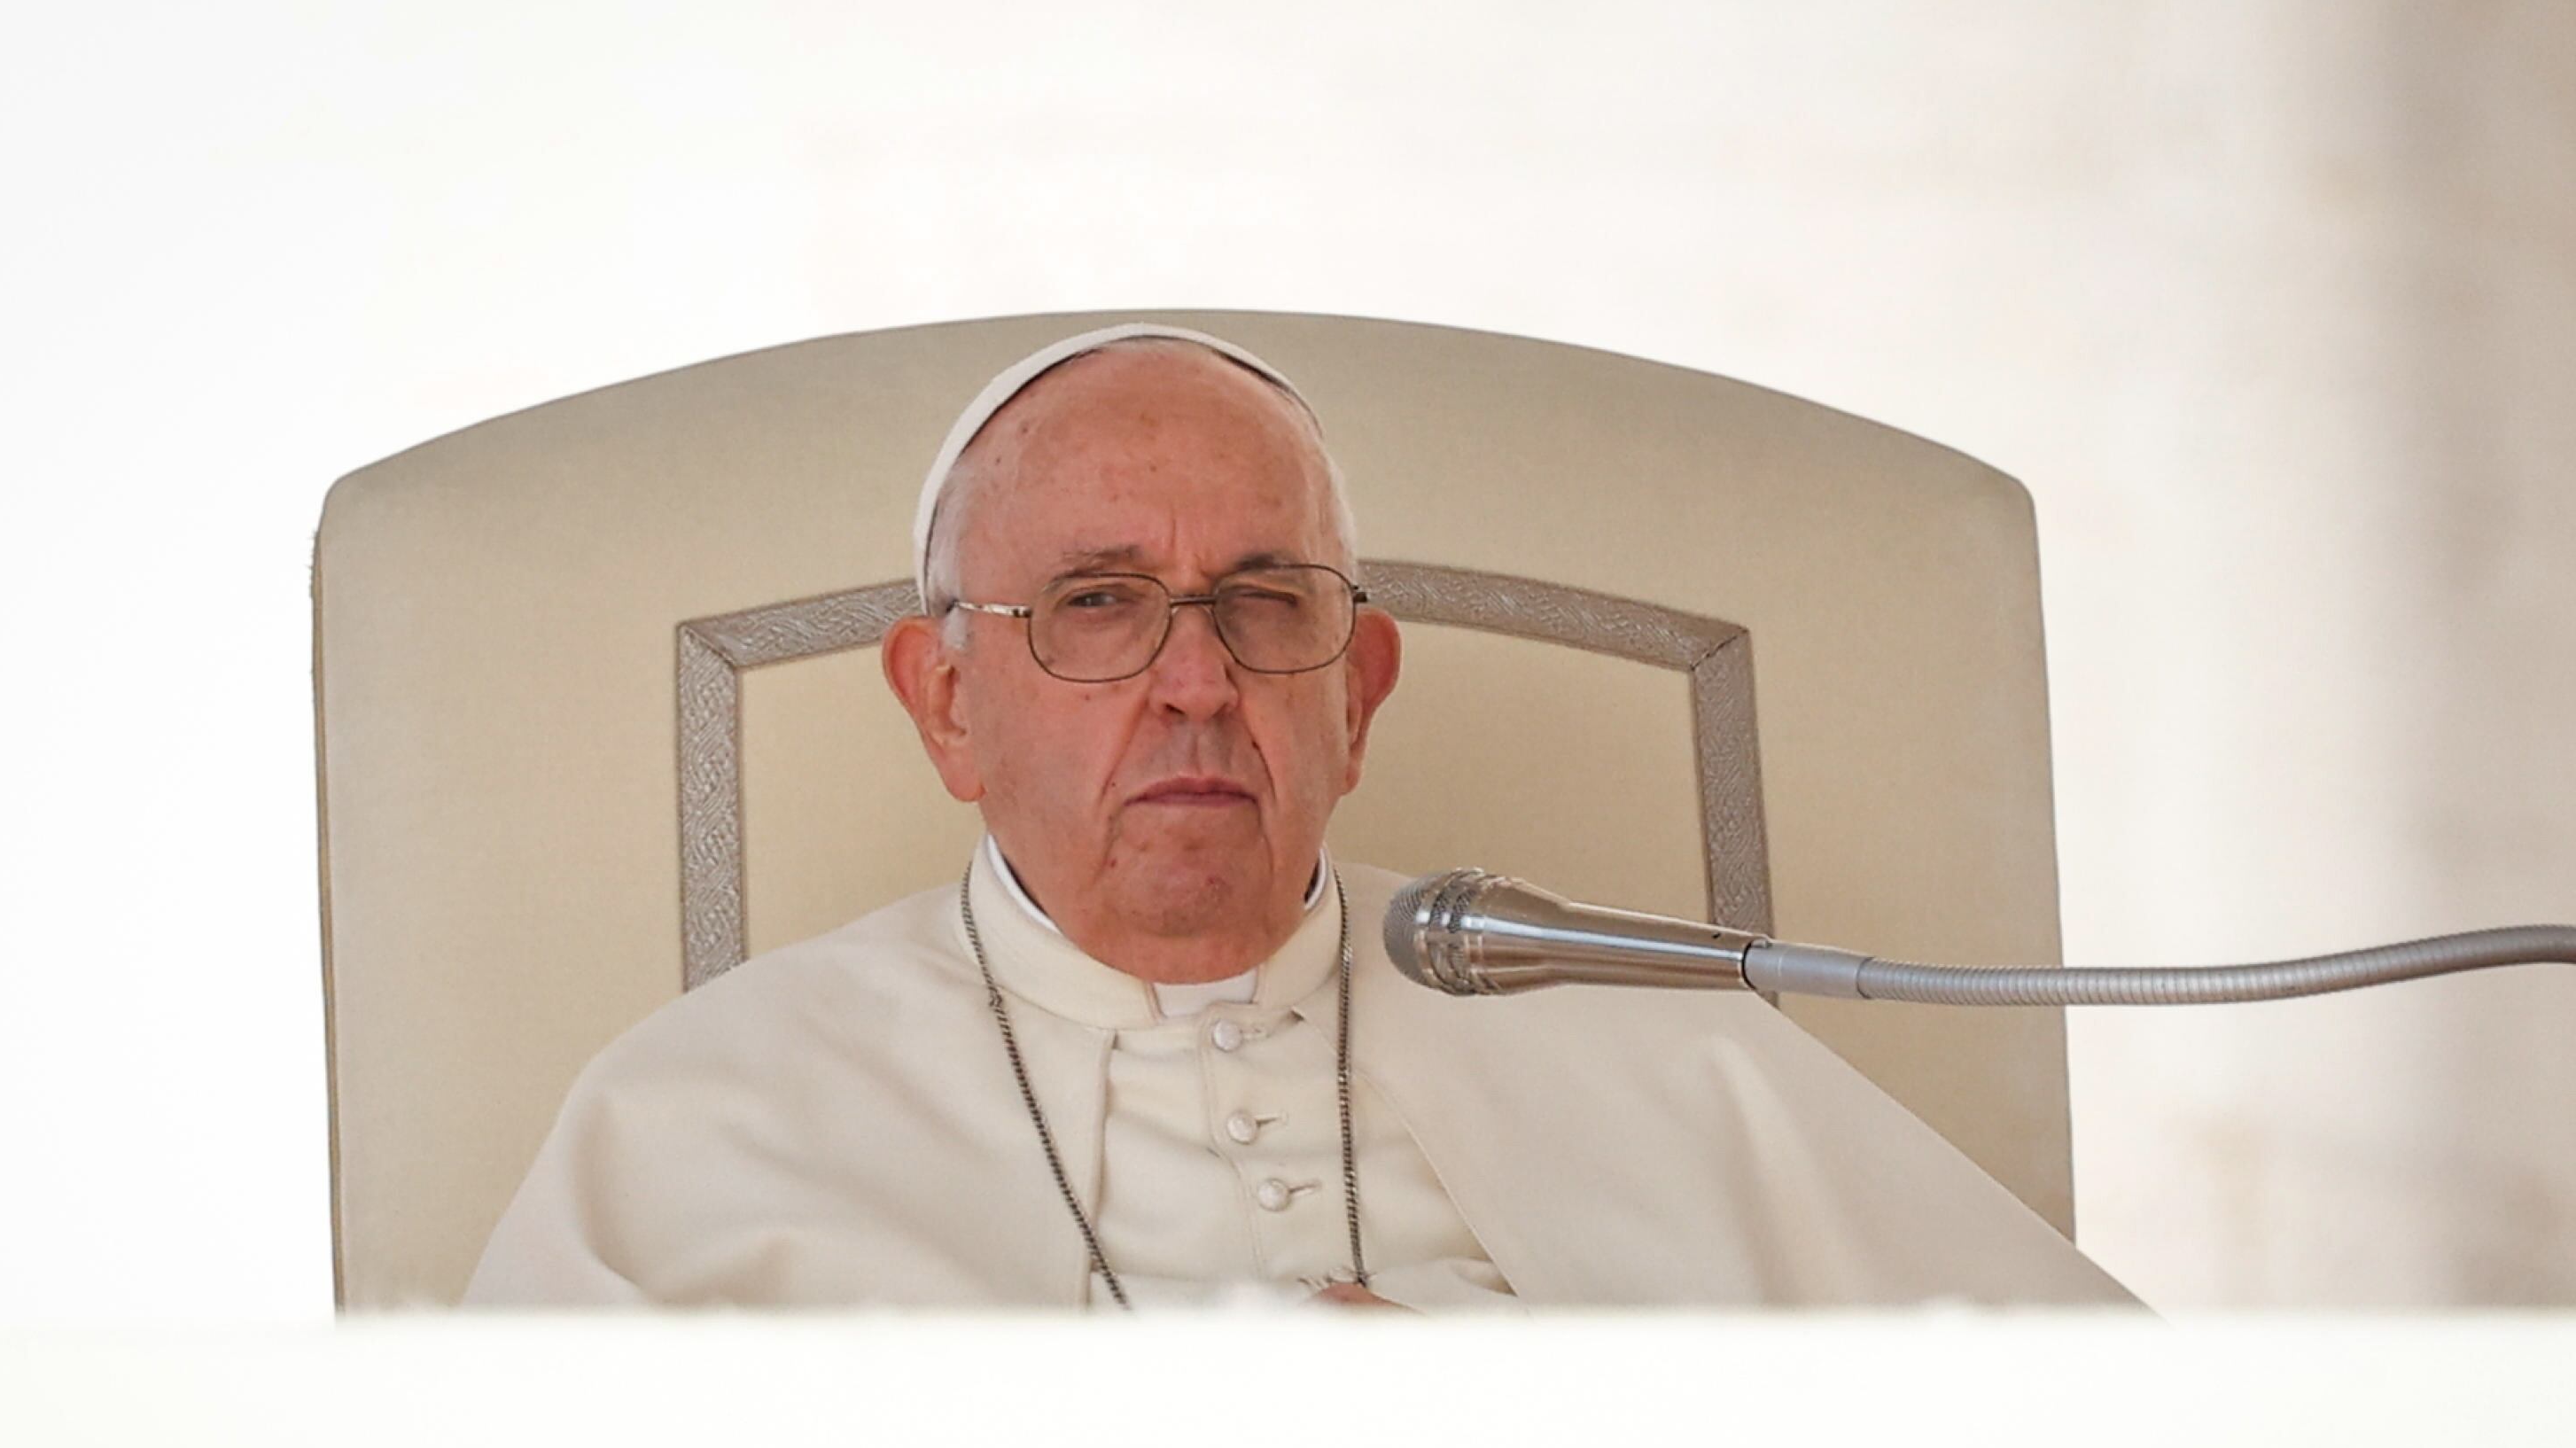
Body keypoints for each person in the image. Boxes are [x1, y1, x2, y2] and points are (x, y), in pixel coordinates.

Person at [464, 324, 2136, 1311]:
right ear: (947, 702)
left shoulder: (1659, 1050)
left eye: (1265, 603)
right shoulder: (692, 1121)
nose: (1198, 683)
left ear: (1361, 690)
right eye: (1101, 605)